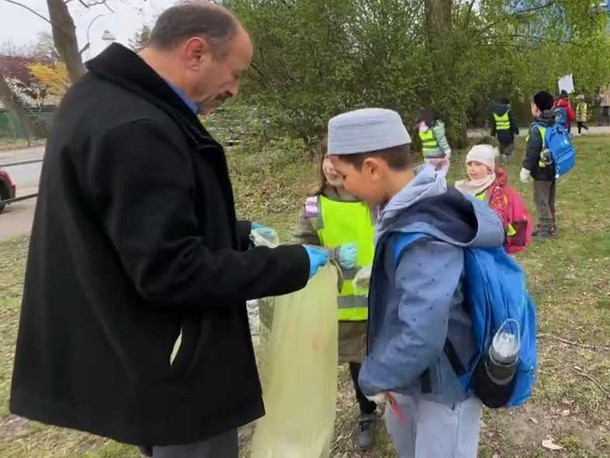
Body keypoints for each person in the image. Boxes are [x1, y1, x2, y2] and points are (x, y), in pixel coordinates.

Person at [9, 4, 328, 458]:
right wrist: (289, 265)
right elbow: (171, 271)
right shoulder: (139, 128)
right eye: (234, 74)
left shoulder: (100, 99)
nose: (234, 90)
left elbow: (135, 227)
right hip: (176, 372)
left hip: (142, 353)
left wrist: (233, 233)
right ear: (196, 52)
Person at [327, 108, 504, 458]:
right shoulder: (397, 208)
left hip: (443, 387)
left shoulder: (423, 232)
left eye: (344, 176)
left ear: (373, 169)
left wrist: (372, 376)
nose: (342, 186)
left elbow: (421, 335)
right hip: (411, 378)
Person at [292, 143, 378, 450]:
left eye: (339, 160)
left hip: (377, 302)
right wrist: (332, 254)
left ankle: (383, 411)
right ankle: (350, 414)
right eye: (327, 158)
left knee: (375, 361)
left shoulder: (375, 200)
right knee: (342, 364)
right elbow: (299, 248)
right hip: (336, 305)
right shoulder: (314, 206)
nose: (331, 166)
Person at [455, 144, 530, 253]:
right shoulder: (461, 188)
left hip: (489, 245)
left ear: (489, 169)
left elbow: (498, 221)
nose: (472, 168)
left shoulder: (496, 192)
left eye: (478, 164)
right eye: (469, 164)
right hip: (465, 243)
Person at [520, 91, 558, 238]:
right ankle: (551, 226)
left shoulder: (537, 128)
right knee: (550, 200)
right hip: (553, 169)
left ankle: (545, 231)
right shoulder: (553, 123)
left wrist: (525, 170)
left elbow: (532, 153)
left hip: (541, 172)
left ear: (536, 108)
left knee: (541, 201)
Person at [416, 106, 452, 176]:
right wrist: (447, 151)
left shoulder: (421, 127)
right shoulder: (436, 126)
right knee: (440, 174)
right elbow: (441, 140)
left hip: (427, 156)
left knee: (431, 175)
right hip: (438, 155)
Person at [490, 98, 518, 162]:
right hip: (508, 132)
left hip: (499, 132)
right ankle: (505, 155)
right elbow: (512, 122)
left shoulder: (495, 112)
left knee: (502, 144)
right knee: (510, 144)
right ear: (507, 104)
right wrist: (516, 131)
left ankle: (502, 156)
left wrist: (493, 134)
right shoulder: (508, 111)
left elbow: (494, 124)